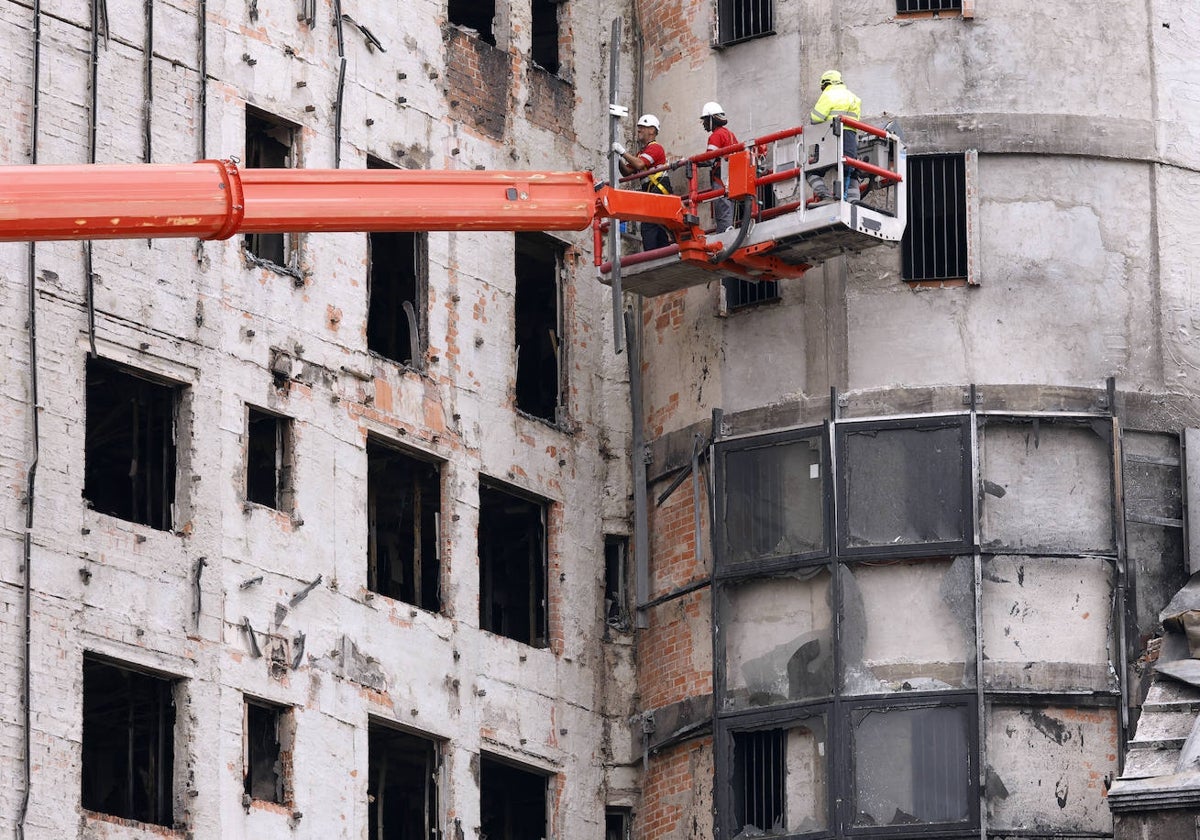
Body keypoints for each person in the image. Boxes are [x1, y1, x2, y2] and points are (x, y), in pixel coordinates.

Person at [612, 114, 672, 252]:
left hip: (659, 189)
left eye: (642, 128)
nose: (638, 130)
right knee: (658, 226)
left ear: (652, 130)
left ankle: (651, 257)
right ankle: (661, 254)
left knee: (648, 226)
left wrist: (622, 152)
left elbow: (639, 165)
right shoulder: (641, 153)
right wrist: (618, 159)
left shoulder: (655, 148)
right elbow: (627, 171)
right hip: (652, 191)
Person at [807, 70, 862, 203]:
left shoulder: (828, 94)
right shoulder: (853, 97)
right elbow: (856, 120)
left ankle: (825, 196)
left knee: (811, 170)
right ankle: (854, 202)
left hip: (829, 137)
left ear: (825, 83)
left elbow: (815, 118)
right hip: (850, 137)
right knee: (851, 171)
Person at [700, 101, 738, 233]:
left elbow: (708, 159)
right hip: (732, 177)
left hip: (721, 177)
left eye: (705, 120)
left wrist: (692, 161)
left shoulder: (716, 136)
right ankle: (728, 231)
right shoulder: (730, 134)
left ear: (711, 119)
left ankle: (724, 236)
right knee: (728, 208)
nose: (704, 124)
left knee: (722, 209)